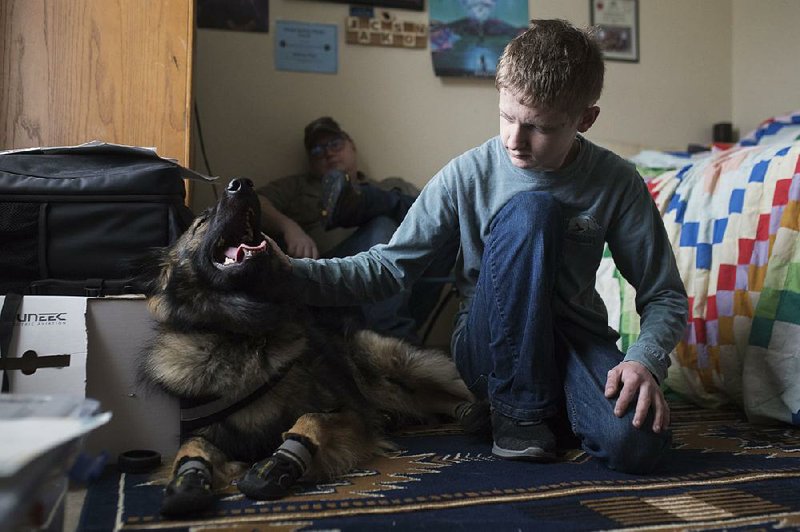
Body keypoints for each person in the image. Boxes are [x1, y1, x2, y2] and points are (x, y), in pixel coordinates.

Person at [270, 19, 688, 474]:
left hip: (573, 337)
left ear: (585, 119)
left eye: (539, 127)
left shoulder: (616, 181)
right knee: (533, 211)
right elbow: (388, 269)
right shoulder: (466, 173)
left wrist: (644, 360)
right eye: (507, 117)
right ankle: (518, 414)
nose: (515, 140)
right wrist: (288, 272)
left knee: (639, 445)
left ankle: (538, 407)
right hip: (488, 341)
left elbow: (663, 293)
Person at [257, 117, 451, 344]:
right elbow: (255, 201)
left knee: (449, 225)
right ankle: (397, 338)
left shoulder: (390, 183)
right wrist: (290, 227)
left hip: (403, 288)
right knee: (382, 224)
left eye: (335, 144)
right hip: (332, 286)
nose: (328, 153)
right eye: (317, 151)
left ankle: (363, 202)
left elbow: (436, 218)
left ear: (352, 146)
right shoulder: (300, 186)